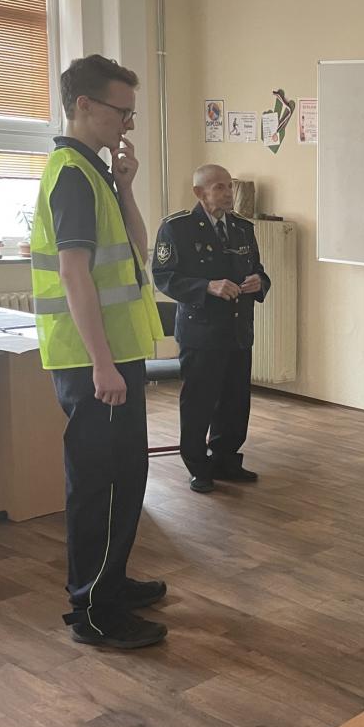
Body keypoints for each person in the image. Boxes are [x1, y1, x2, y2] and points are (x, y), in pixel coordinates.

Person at [30, 55, 167, 650]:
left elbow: (138, 249)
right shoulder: (70, 174)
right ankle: (95, 610)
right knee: (101, 483)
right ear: (84, 105)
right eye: (122, 111)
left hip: (113, 354)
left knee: (125, 475)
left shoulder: (95, 172)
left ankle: (110, 582)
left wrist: (127, 187)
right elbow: (73, 274)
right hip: (93, 361)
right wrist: (102, 364)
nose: (128, 124)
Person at [153, 165, 271, 493]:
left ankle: (226, 460)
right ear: (199, 192)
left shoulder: (242, 228)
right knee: (199, 403)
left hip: (237, 329)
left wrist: (258, 282)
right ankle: (198, 466)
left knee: (235, 402)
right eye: (219, 187)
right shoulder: (177, 228)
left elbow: (259, 270)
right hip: (201, 332)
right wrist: (207, 286)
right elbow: (164, 277)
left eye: (229, 186)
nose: (228, 193)